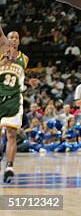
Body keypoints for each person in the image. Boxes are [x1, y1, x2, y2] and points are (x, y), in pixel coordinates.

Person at [0, 30, 28, 183]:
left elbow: (21, 77)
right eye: (11, 37)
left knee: (11, 134)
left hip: (15, 98)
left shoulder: (24, 59)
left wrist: (29, 83)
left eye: (17, 37)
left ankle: (10, 167)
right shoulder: (1, 52)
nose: (14, 39)